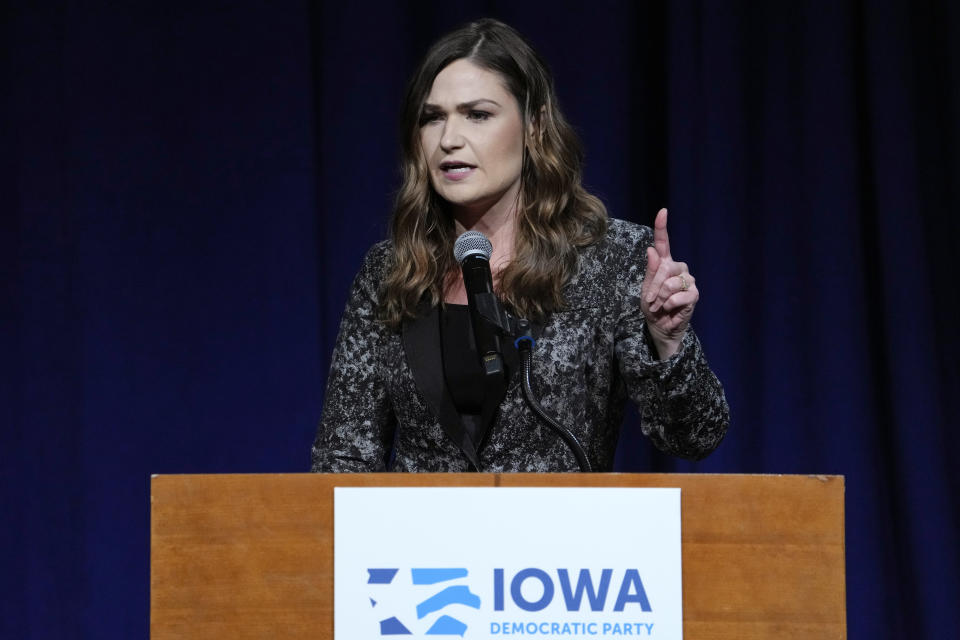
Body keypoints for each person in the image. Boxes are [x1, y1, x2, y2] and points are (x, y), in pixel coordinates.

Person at [311, 19, 728, 473]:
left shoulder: (613, 258)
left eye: (478, 114)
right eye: (433, 117)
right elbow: (344, 456)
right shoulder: (390, 271)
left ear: (534, 125)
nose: (449, 139)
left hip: (563, 540)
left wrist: (668, 343)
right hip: (418, 543)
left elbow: (694, 436)